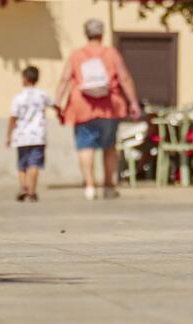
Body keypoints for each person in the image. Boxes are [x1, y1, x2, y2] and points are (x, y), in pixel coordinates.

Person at [55, 19, 140, 199]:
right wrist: (133, 102)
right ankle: (108, 186)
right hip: (109, 106)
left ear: (86, 34)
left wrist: (58, 102)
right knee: (109, 147)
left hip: (82, 106)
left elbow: (64, 79)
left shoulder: (76, 55)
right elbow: (124, 78)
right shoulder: (111, 53)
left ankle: (90, 186)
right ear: (102, 34)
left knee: (85, 146)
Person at [6, 65, 50, 202]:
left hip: (21, 136)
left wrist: (8, 135)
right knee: (34, 164)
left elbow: (13, 117)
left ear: (24, 79)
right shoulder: (42, 95)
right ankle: (32, 191)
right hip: (38, 136)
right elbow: (54, 104)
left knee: (22, 164)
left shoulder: (18, 97)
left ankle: (23, 187)